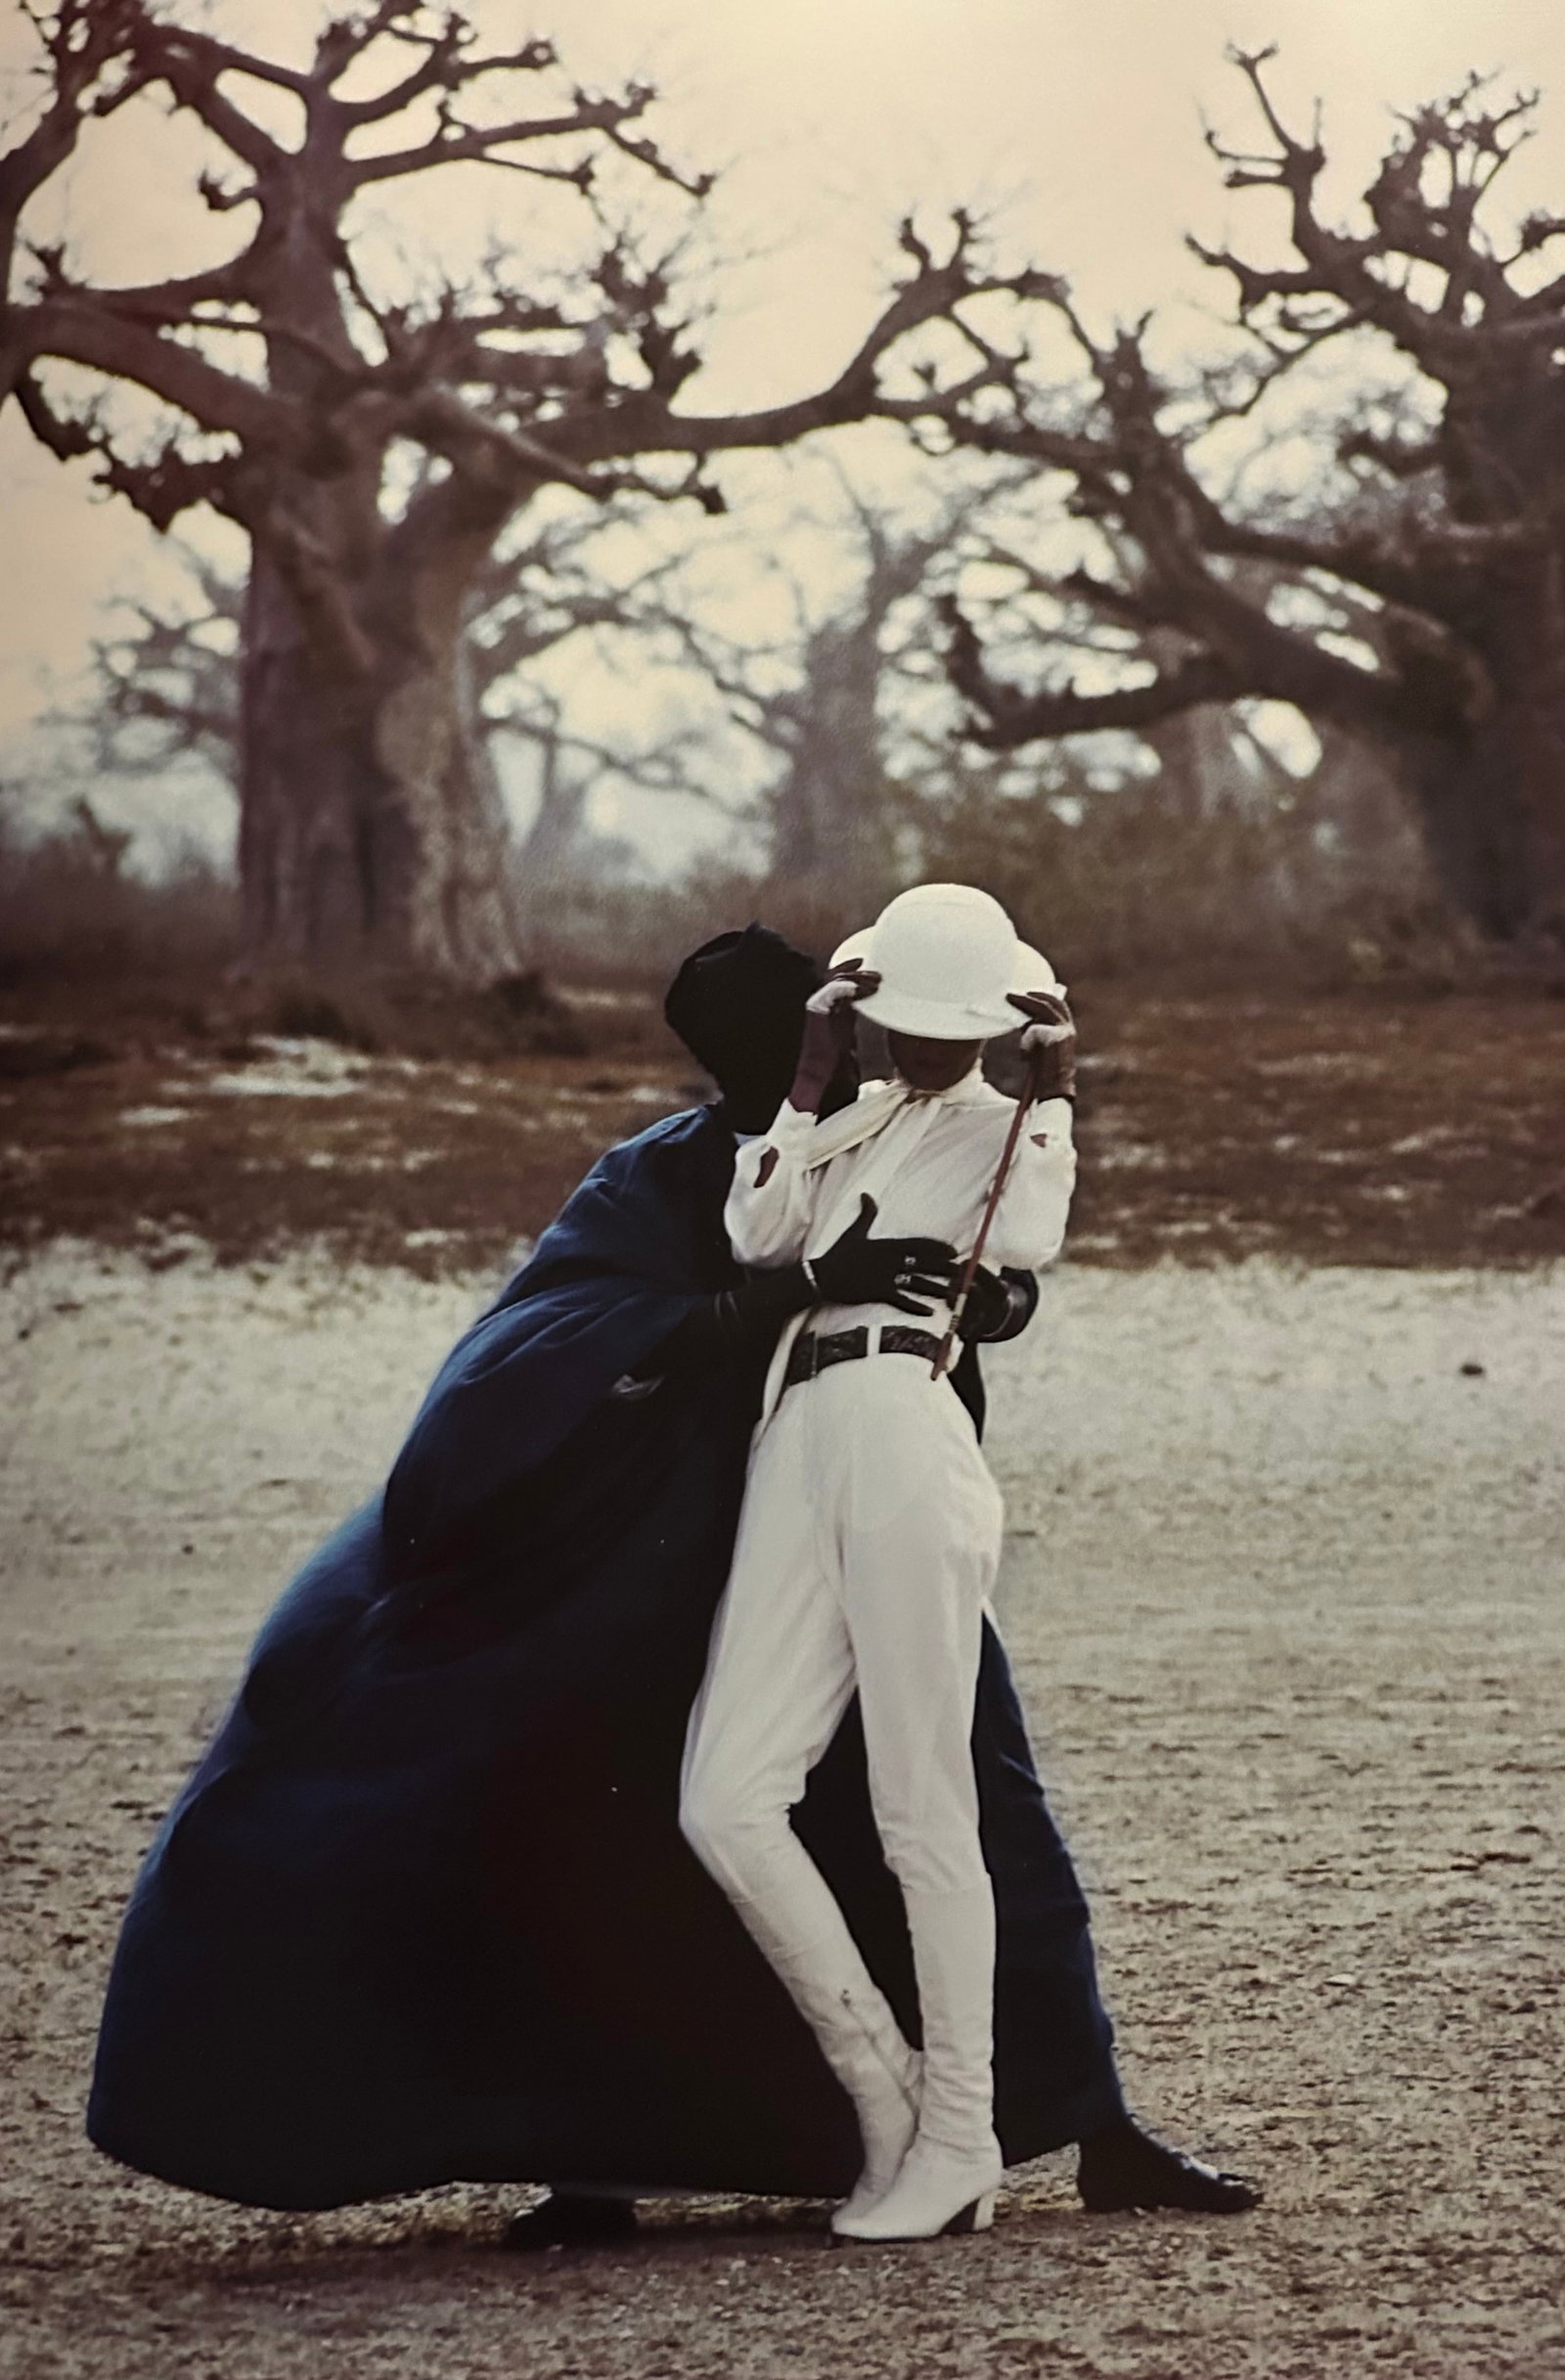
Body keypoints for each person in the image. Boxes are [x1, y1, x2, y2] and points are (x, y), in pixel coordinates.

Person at [87, 921, 1254, 2232]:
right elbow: (540, 1354)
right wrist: (789, 1291)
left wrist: (973, 1296)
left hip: (847, 1501)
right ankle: (608, 2163)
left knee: (966, 1793)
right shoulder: (663, 1172)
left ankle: (1075, 2121)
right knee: (616, 1817)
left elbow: (988, 1256)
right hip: (651, 1552)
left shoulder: (889, 1120)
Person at [681, 886, 1256, 2243]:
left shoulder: (1006, 1130)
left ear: (996, 1026)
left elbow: (1032, 1237)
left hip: (904, 1428)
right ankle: (890, 2098)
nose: (925, 1049)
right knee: (726, 1794)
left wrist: (1054, 1089)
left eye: (950, 1028)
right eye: (903, 1027)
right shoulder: (853, 1112)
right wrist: (814, 1084)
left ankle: (961, 2135)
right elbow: (757, 1236)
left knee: (922, 1808)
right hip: (800, 1430)